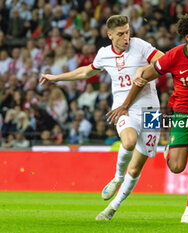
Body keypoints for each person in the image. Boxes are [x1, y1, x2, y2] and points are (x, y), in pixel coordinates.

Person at [108, 12, 188, 224]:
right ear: (187, 37)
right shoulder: (173, 57)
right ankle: (170, 151)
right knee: (176, 167)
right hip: (182, 114)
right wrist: (125, 105)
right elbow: (145, 76)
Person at [39, 15, 164, 221]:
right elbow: (86, 72)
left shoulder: (140, 45)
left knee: (137, 166)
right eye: (121, 34)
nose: (126, 37)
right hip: (123, 108)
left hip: (151, 111)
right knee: (129, 141)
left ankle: (112, 209)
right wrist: (56, 78)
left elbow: (164, 59)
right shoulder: (104, 54)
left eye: (128, 32)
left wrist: (146, 68)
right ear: (110, 35)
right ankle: (117, 177)